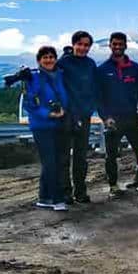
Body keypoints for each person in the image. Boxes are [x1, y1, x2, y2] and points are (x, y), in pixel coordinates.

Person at [97, 32, 138, 196]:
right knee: (111, 155)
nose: (117, 47)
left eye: (120, 44)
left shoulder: (135, 68)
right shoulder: (103, 69)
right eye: (115, 44)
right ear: (110, 45)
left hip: (132, 118)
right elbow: (99, 97)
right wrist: (105, 117)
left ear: (126, 45)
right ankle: (113, 186)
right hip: (113, 120)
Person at [24, 46, 69, 211]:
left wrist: (63, 109)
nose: (49, 60)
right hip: (42, 125)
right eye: (45, 57)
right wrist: (48, 114)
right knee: (51, 162)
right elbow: (29, 104)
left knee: (53, 161)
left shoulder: (59, 75)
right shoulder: (33, 78)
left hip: (58, 123)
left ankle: (44, 197)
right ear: (39, 60)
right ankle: (57, 199)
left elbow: (63, 95)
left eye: (51, 57)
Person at [56, 30, 99, 204]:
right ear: (73, 44)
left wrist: (90, 109)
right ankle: (66, 192)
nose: (83, 48)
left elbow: (95, 88)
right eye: (80, 44)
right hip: (65, 116)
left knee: (81, 156)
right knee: (64, 156)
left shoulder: (90, 64)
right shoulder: (63, 63)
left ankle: (80, 191)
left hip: (84, 115)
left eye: (86, 45)